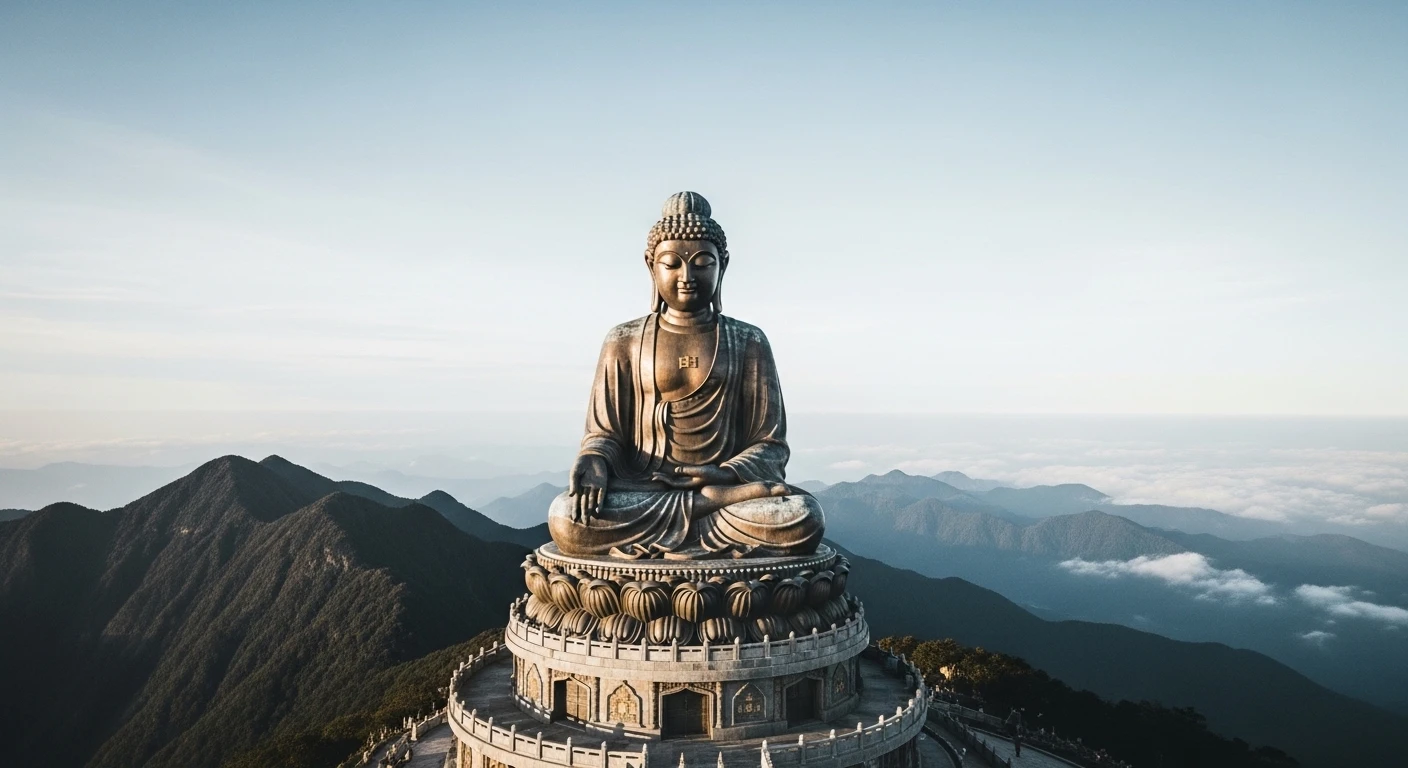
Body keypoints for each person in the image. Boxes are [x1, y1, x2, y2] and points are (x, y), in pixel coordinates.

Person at [547, 192, 825, 559]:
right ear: (651, 267)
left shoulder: (748, 341)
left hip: (724, 488)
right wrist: (594, 458)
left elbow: (770, 445)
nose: (687, 276)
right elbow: (605, 434)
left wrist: (722, 475)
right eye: (672, 264)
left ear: (722, 267)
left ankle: (715, 499)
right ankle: (708, 504)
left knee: (801, 517)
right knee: (567, 518)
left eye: (702, 263)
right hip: (646, 489)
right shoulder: (623, 340)